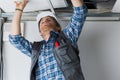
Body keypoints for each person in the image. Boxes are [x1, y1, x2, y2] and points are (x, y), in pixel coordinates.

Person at [9, 0, 88, 80]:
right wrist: (19, 8)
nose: (45, 21)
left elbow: (80, 12)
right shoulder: (36, 49)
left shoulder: (66, 37)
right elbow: (14, 39)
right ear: (40, 32)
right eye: (42, 22)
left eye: (49, 20)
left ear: (58, 28)